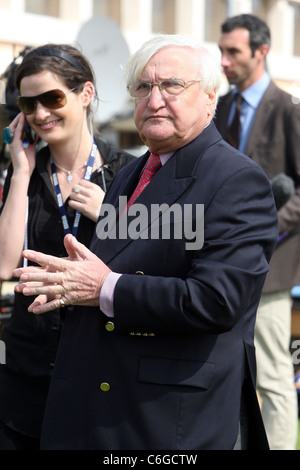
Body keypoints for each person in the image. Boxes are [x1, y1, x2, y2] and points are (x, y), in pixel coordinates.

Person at [14, 34, 278, 450]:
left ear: (210, 99)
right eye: (143, 87)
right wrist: (68, 284)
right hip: (93, 408)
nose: (154, 100)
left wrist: (103, 287)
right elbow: (122, 262)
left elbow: (216, 299)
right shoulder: (132, 173)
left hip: (162, 421)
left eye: (172, 85)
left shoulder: (235, 179)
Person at [0, 43, 134, 450]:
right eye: (29, 102)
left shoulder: (128, 172)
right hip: (27, 366)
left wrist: (111, 215)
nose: (41, 114)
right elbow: (5, 264)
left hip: (101, 364)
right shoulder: (22, 173)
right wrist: (21, 172)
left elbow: (151, 261)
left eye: (52, 98)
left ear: (86, 94)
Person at [214, 14, 300, 450]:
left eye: (234, 52)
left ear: (261, 52)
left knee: (271, 377)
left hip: (271, 271)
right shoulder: (220, 108)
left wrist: (266, 228)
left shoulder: (289, 109)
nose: (224, 60)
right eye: (221, 50)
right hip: (216, 270)